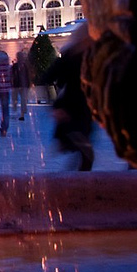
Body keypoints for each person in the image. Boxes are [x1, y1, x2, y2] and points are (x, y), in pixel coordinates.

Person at [46, 26, 95, 170]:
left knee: (85, 154)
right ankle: (74, 186)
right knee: (87, 154)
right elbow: (47, 78)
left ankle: (73, 183)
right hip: (71, 111)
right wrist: (55, 107)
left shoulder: (90, 56)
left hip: (84, 111)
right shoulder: (70, 57)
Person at [14, 48, 33, 120]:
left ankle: (22, 113)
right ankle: (20, 111)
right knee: (21, 99)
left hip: (22, 85)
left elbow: (28, 75)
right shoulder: (19, 66)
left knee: (22, 99)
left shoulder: (24, 66)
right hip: (19, 85)